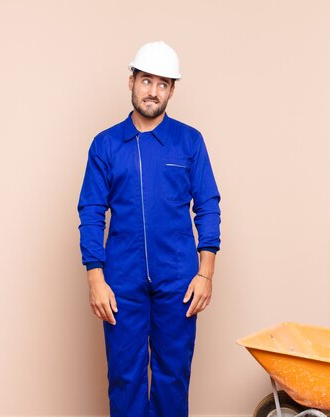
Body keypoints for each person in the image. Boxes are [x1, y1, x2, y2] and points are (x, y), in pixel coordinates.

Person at [77, 41, 221, 417]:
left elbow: (207, 206)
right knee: (125, 379)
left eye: (162, 84)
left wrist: (205, 274)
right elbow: (91, 211)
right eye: (146, 81)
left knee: (173, 378)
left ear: (172, 90)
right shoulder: (105, 145)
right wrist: (96, 278)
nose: (152, 91)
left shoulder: (189, 142)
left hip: (178, 280)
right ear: (131, 82)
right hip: (121, 282)